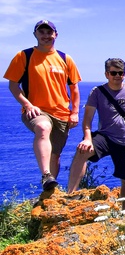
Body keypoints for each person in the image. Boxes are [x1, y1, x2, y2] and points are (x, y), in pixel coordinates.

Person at [4, 20, 82, 191]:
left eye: (49, 32)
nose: (46, 36)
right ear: (35, 35)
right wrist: (28, 105)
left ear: (56, 35)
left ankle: (50, 190)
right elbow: (13, 85)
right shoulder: (24, 56)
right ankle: (46, 174)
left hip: (61, 113)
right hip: (36, 110)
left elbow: (74, 88)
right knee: (43, 127)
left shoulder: (65, 59)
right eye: (42, 32)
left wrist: (74, 112)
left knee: (55, 155)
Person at [67, 58, 125, 209]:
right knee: (82, 151)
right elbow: (87, 120)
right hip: (105, 137)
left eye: (121, 73)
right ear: (106, 74)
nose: (117, 76)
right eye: (113, 73)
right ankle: (70, 196)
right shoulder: (97, 92)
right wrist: (88, 139)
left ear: (124, 74)